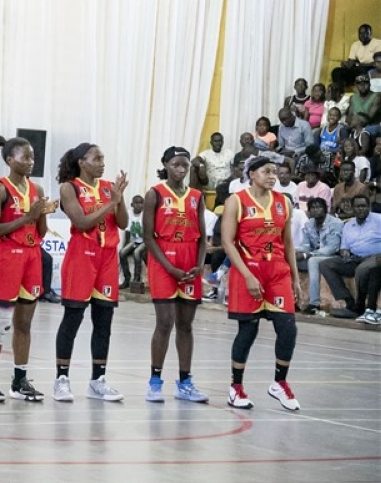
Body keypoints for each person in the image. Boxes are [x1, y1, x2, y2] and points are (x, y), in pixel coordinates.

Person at [220, 154, 302, 411]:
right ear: (252, 174)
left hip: (277, 272)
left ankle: (280, 382)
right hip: (248, 270)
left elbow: (288, 244)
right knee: (248, 330)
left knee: (288, 327)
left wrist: (296, 279)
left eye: (274, 172)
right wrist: (246, 274)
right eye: (267, 171)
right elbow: (227, 243)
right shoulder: (237, 201)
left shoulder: (284, 203)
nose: (272, 176)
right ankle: (236, 387)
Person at [0, 136, 56, 403]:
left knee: (24, 323)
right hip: (7, 256)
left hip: (32, 256)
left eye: (32, 157)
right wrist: (28, 217)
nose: (30, 161)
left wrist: (42, 213)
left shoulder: (36, 188)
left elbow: (42, 231)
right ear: (10, 159)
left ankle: (19, 380)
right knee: (1, 323)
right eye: (25, 157)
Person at [52, 143, 128, 403]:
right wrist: (110, 204)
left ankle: (98, 380)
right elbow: (82, 222)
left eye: (103, 158)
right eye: (97, 158)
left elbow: (123, 223)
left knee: (103, 322)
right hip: (82, 256)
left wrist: (119, 200)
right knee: (72, 319)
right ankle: (61, 379)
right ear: (82, 162)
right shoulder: (69, 187)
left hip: (107, 256)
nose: (102, 162)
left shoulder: (108, 187)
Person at [142, 148, 209, 404]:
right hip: (164, 260)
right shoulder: (155, 194)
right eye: (176, 164)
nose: (181, 169)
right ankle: (155, 381)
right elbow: (148, 237)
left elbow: (203, 236)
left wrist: (200, 265)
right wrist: (169, 267)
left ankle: (185, 382)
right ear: (166, 165)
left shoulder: (196, 196)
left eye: (185, 164)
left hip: (190, 260)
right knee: (165, 322)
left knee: (186, 324)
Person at [319, 194, 381, 321]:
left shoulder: (379, 220)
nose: (361, 209)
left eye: (363, 206)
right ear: (353, 208)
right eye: (357, 206)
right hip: (354, 258)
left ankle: (359, 307)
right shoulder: (348, 225)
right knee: (325, 264)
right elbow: (344, 247)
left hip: (375, 258)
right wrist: (345, 253)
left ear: (369, 207)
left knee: (362, 269)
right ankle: (349, 302)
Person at [294, 197, 342, 314]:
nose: (316, 210)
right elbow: (305, 245)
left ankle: (314, 303)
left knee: (313, 261)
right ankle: (293, 300)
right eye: (313, 208)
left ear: (325, 209)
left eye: (319, 207)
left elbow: (332, 248)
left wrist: (307, 255)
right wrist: (294, 251)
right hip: (314, 255)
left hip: (333, 257)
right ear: (309, 211)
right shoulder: (309, 224)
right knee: (290, 257)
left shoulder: (336, 223)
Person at [119, 195, 146, 291]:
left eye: (141, 203)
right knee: (122, 252)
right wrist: (126, 245)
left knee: (137, 253)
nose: (139, 205)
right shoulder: (129, 213)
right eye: (137, 203)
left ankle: (136, 279)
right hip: (133, 241)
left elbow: (147, 233)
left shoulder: (145, 214)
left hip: (144, 242)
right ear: (132, 204)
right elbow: (127, 231)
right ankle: (127, 279)